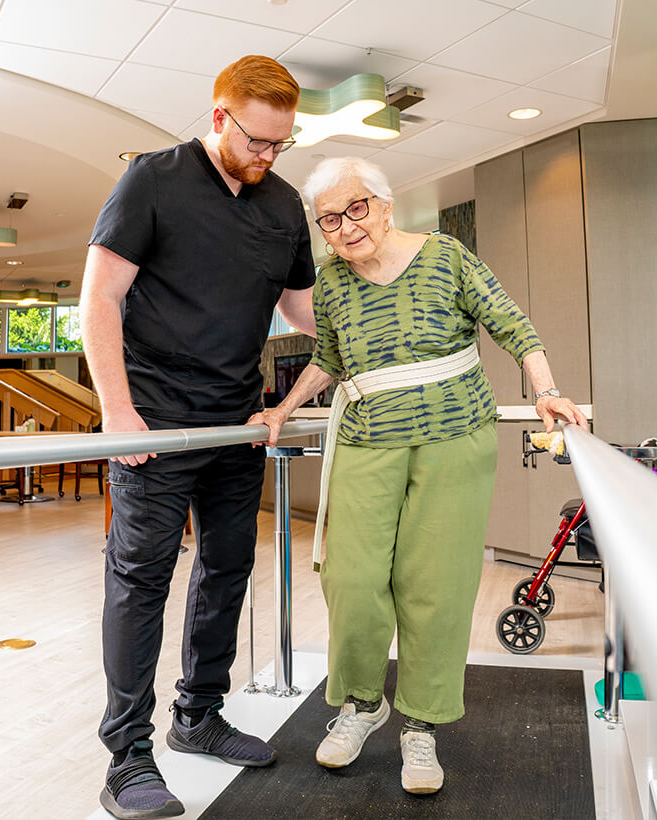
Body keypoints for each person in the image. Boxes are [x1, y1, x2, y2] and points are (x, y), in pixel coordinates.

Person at [249, 156, 587, 797]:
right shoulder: (331, 284)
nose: (346, 228)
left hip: (454, 437)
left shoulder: (445, 255)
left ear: (383, 203)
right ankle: (360, 703)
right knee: (351, 575)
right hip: (367, 438)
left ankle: (422, 724)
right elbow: (327, 360)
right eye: (330, 220)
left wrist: (547, 390)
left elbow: (512, 324)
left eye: (355, 209)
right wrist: (284, 409)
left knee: (434, 583)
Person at [80, 55, 316, 820]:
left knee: (226, 572)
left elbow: (304, 313)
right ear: (219, 118)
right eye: (256, 141)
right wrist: (118, 413)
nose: (268, 157)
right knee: (141, 580)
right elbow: (101, 298)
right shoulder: (154, 179)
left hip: (234, 421)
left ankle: (198, 716)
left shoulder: (283, 204)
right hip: (152, 421)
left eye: (282, 144)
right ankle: (127, 757)